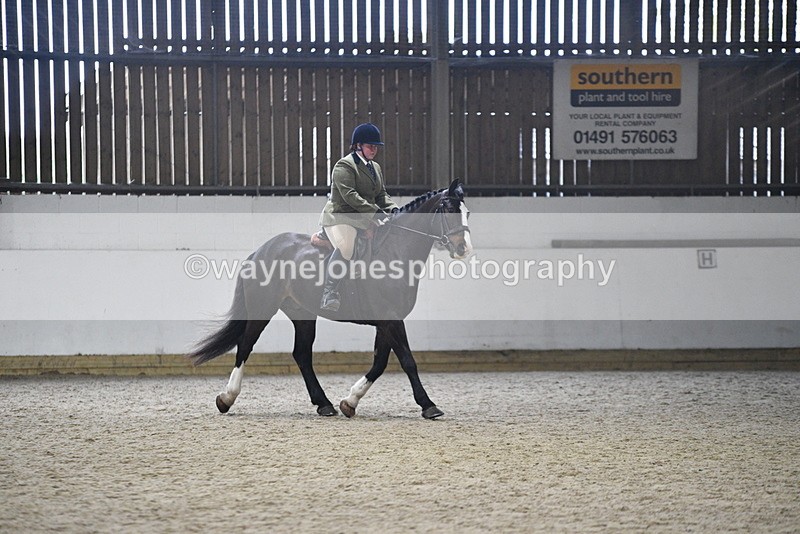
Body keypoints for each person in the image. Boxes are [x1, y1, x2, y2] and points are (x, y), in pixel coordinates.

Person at [318, 123, 398, 312]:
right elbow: (350, 196)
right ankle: (329, 292)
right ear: (358, 146)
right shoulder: (344, 165)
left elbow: (381, 195)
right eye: (371, 146)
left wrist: (393, 208)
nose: (374, 150)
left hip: (363, 217)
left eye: (376, 146)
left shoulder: (375, 167)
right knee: (346, 246)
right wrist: (375, 213)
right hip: (340, 216)